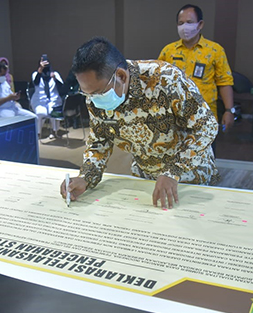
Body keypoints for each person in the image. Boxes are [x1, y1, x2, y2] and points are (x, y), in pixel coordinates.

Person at [60, 37, 218, 210]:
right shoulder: (95, 96)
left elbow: (206, 126)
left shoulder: (165, 79)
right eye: (87, 94)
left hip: (188, 176)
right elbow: (99, 141)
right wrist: (86, 177)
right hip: (144, 177)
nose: (93, 100)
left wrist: (173, 171)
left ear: (121, 76)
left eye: (98, 93)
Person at [158, 4, 235, 132]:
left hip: (204, 115)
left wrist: (229, 110)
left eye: (189, 22)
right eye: (181, 23)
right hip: (174, 116)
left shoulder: (215, 50)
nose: (184, 27)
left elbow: (225, 82)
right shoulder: (168, 51)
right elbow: (158, 81)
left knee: (206, 151)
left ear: (200, 25)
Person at [30, 55, 64, 139]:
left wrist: (55, 78)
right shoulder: (36, 74)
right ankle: (38, 133)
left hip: (53, 100)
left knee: (53, 110)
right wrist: (40, 70)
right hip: (39, 100)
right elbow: (36, 82)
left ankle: (54, 131)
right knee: (41, 113)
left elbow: (62, 87)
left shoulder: (55, 74)